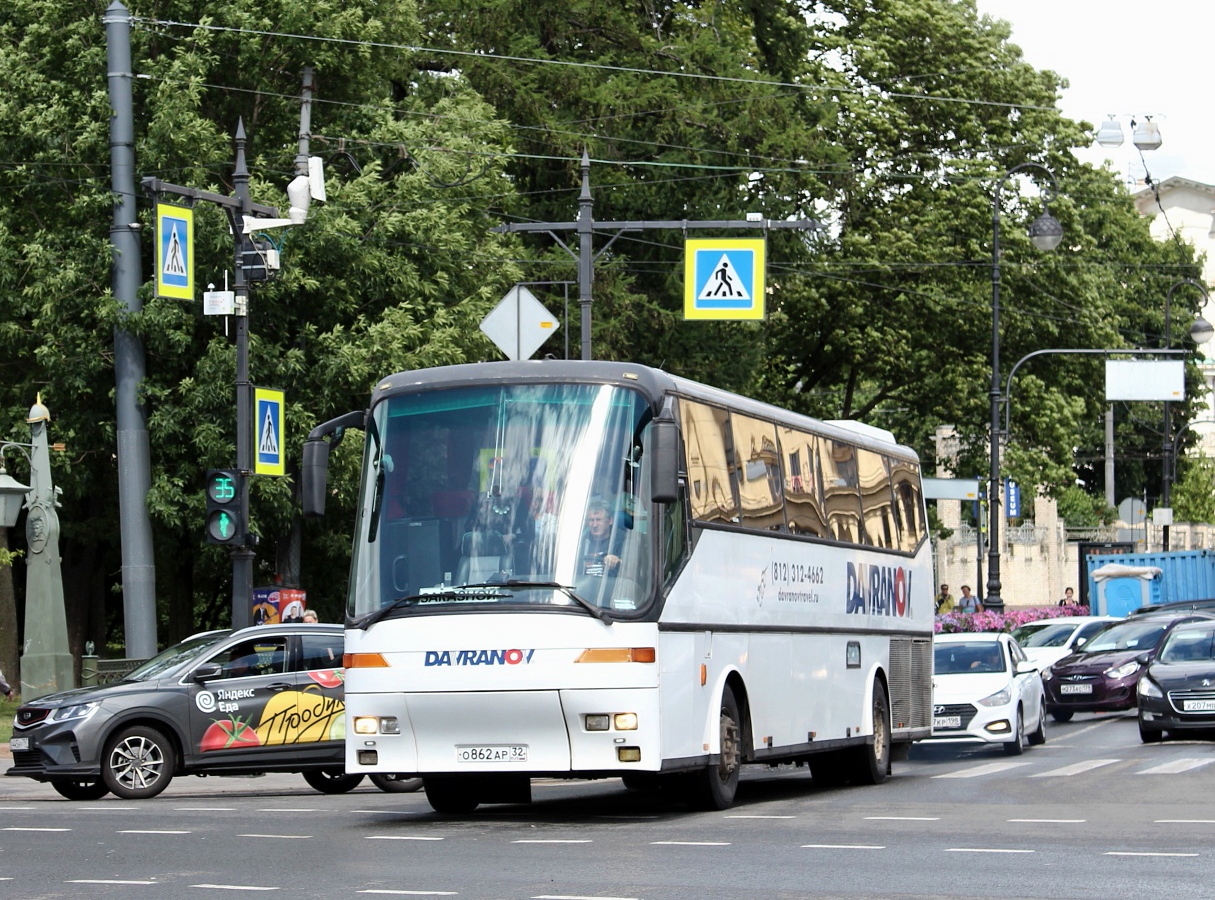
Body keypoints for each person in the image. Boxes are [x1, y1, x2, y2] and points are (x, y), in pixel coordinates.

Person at [580, 496, 624, 578]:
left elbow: (633, 567)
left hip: (611, 587)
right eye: (591, 520)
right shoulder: (581, 543)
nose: (594, 525)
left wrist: (618, 561)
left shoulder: (623, 540)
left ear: (610, 521)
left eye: (598, 519)